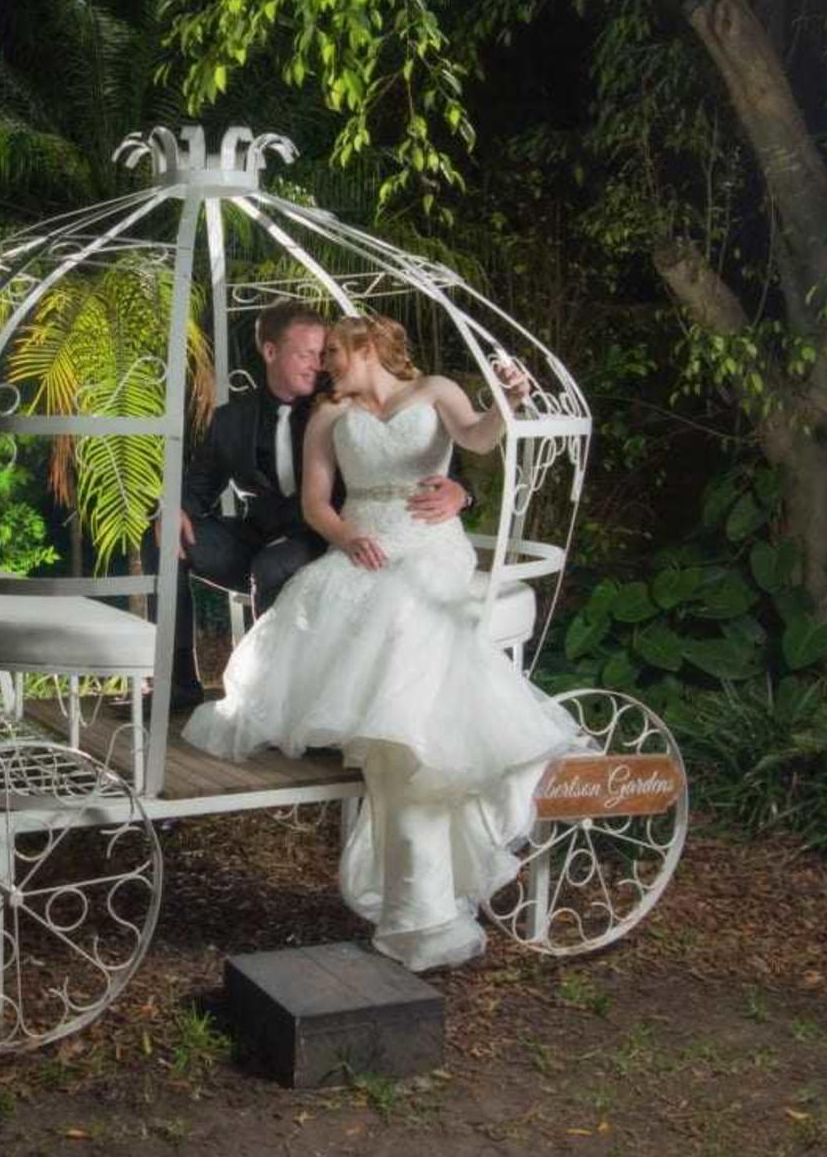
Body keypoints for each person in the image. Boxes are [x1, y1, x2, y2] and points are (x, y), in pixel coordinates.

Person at [181, 315, 584, 972]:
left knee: (403, 607)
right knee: (320, 595)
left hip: (428, 547)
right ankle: (396, 761)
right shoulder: (327, 416)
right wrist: (346, 539)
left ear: (366, 345)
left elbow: (478, 437)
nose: (325, 366)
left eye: (334, 352)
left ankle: (405, 751)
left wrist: (506, 404)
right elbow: (317, 504)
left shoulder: (435, 389)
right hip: (364, 544)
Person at [155, 301, 467, 709]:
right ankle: (175, 686)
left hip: (322, 537)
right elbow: (199, 484)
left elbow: (426, 461)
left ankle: (269, 699)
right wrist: (175, 505)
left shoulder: (343, 403)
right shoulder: (232, 419)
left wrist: (463, 494)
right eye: (307, 355)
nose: (319, 366)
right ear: (271, 352)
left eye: (325, 355)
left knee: (272, 566)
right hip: (256, 534)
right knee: (162, 538)